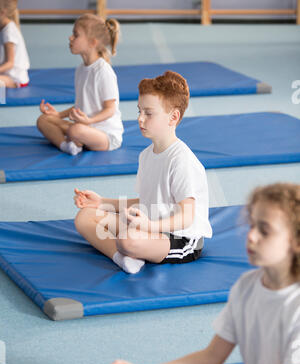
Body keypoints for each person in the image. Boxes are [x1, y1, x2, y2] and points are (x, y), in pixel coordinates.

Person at [94, 183, 300, 364]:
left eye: (265, 231)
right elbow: (212, 356)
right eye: (252, 226)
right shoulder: (248, 286)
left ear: (295, 243)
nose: (251, 237)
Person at [74, 70, 212, 274]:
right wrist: (102, 202)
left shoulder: (181, 160)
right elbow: (146, 202)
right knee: (85, 216)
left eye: (148, 113)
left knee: (129, 239)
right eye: (139, 111)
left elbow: (186, 217)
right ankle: (121, 258)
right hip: (149, 226)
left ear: (173, 117)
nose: (140, 119)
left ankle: (126, 249)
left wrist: (148, 226)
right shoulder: (146, 155)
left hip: (179, 238)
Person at [37, 13, 123, 156]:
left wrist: (89, 120)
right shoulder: (80, 70)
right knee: (43, 120)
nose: (70, 38)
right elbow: (81, 105)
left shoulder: (103, 71)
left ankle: (75, 140)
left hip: (106, 136)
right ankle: (67, 146)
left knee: (75, 130)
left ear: (92, 42)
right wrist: (58, 115)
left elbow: (110, 109)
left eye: (76, 35)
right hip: (84, 126)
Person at [0, 0, 30, 88]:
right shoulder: (3, 27)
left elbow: (10, 63)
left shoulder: (9, 31)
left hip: (15, 79)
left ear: (2, 13)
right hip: (6, 75)